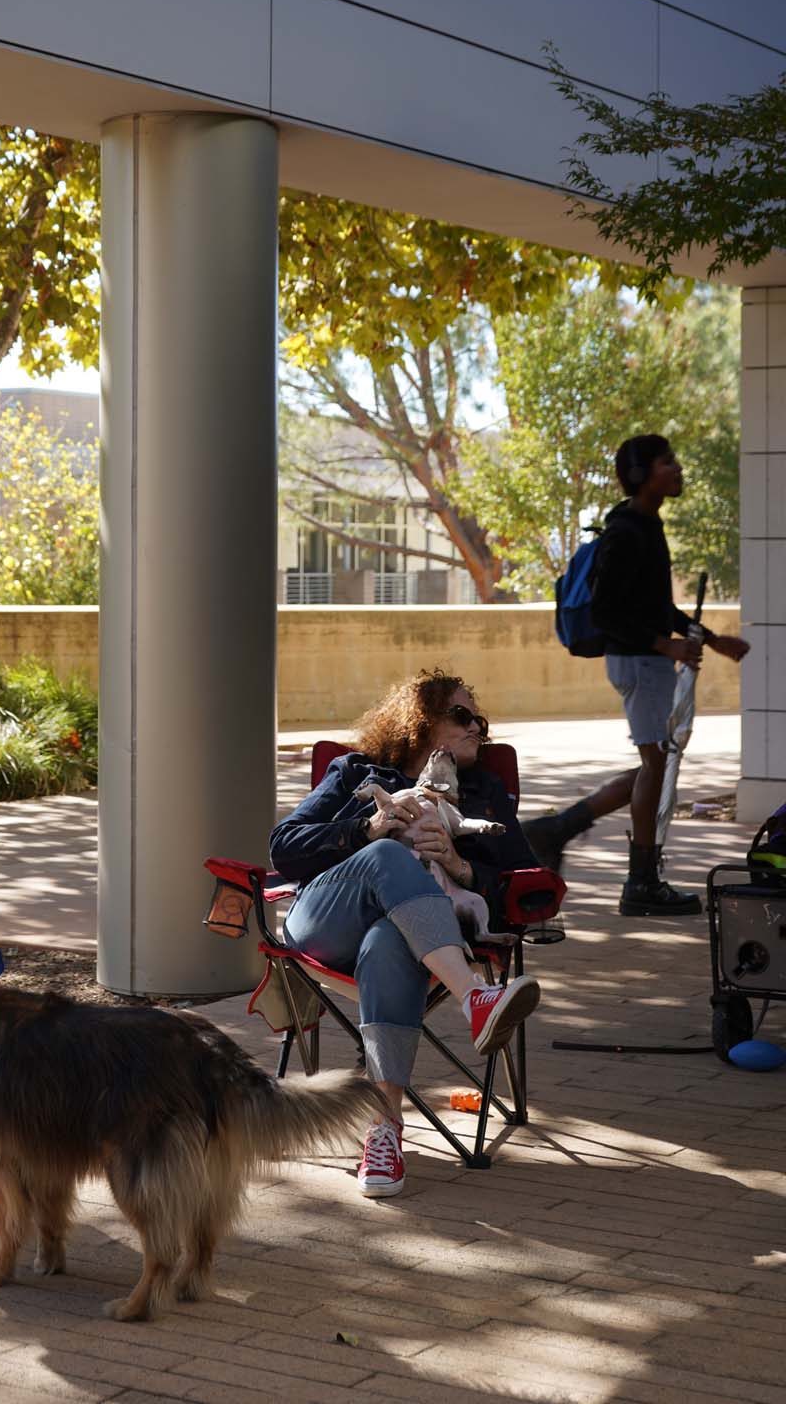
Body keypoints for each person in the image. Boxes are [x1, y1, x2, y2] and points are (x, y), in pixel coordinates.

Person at [269, 671, 541, 1199]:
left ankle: (384, 1129)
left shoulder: (484, 793)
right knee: (387, 855)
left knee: (388, 943)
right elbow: (284, 846)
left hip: (416, 940)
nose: (476, 729)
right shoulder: (354, 771)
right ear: (420, 722)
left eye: (480, 721)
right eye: (461, 716)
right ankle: (474, 998)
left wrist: (458, 864)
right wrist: (369, 828)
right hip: (325, 922)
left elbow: (524, 880)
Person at [525, 435, 748, 914]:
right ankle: (640, 883)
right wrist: (665, 644)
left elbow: (655, 606)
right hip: (639, 662)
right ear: (642, 474)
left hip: (647, 661)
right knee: (656, 765)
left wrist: (711, 639)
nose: (678, 468)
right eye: (668, 461)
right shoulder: (626, 532)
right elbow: (606, 612)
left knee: (657, 765)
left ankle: (559, 829)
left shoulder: (646, 525)